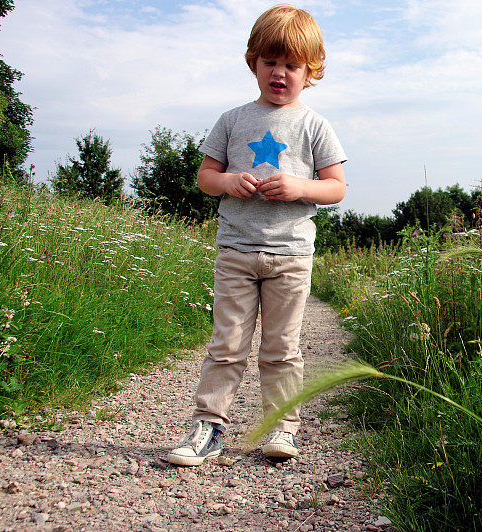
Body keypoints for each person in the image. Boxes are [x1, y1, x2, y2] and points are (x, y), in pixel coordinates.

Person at [167, 4, 346, 466]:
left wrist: (298, 186)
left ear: (312, 70)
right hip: (236, 252)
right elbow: (206, 176)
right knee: (227, 345)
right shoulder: (231, 120)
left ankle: (282, 429)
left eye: (292, 64)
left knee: (282, 348)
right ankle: (208, 427)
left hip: (290, 256)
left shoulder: (315, 126)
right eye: (270, 62)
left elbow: (336, 187)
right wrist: (228, 181)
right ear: (253, 62)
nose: (280, 73)